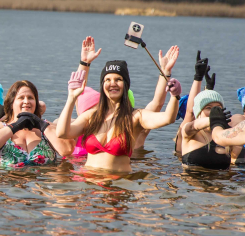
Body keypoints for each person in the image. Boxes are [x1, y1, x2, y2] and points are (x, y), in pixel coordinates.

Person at [57, 39, 181, 173]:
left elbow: (169, 118)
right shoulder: (92, 116)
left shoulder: (135, 117)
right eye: (107, 80)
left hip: (117, 187)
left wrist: (174, 95)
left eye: (118, 79)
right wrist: (71, 98)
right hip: (89, 187)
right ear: (102, 85)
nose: (113, 83)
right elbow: (62, 133)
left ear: (126, 85)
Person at [0, 80, 69, 168]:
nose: (26, 101)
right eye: (21, 98)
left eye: (30, 98)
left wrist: (41, 125)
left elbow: (67, 150)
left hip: (42, 180)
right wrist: (15, 126)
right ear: (11, 103)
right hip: (9, 180)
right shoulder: (0, 127)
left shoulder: (47, 127)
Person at [180, 90, 230, 170]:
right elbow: (194, 126)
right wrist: (213, 120)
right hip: (192, 180)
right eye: (208, 108)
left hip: (220, 181)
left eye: (217, 108)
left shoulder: (225, 134)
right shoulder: (190, 132)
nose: (213, 112)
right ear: (199, 112)